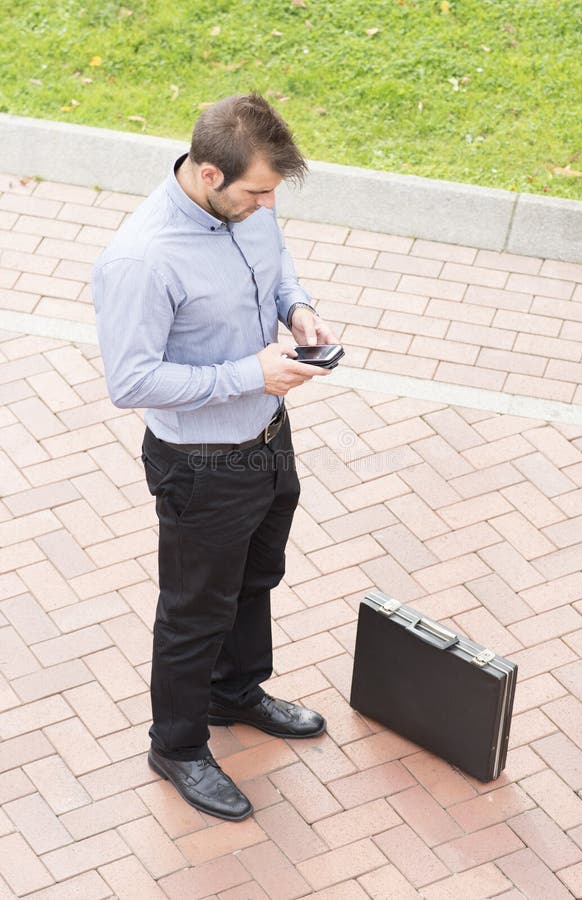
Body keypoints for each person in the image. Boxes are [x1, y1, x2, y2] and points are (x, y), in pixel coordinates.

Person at [92, 93, 338, 822]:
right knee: (194, 612)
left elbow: (277, 265)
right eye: (257, 192)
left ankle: (235, 694)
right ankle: (176, 746)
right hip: (200, 465)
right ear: (207, 175)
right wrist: (249, 374)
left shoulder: (249, 209)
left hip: (268, 435)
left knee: (257, 578)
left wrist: (296, 309)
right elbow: (130, 381)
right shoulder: (142, 259)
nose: (268, 206)